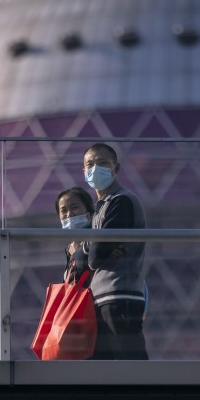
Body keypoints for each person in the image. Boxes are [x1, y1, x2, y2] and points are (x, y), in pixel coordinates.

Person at [81, 143, 149, 359]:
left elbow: (93, 258)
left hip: (121, 293)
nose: (95, 168)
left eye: (102, 163)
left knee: (132, 365)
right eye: (89, 164)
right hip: (102, 297)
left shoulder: (122, 201)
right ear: (83, 171)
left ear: (116, 168)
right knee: (107, 371)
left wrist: (95, 249)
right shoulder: (100, 207)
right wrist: (94, 247)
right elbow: (85, 256)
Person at [55, 186, 95, 283]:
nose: (69, 214)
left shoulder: (97, 242)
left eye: (74, 207)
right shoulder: (69, 249)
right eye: (63, 211)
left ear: (89, 214)